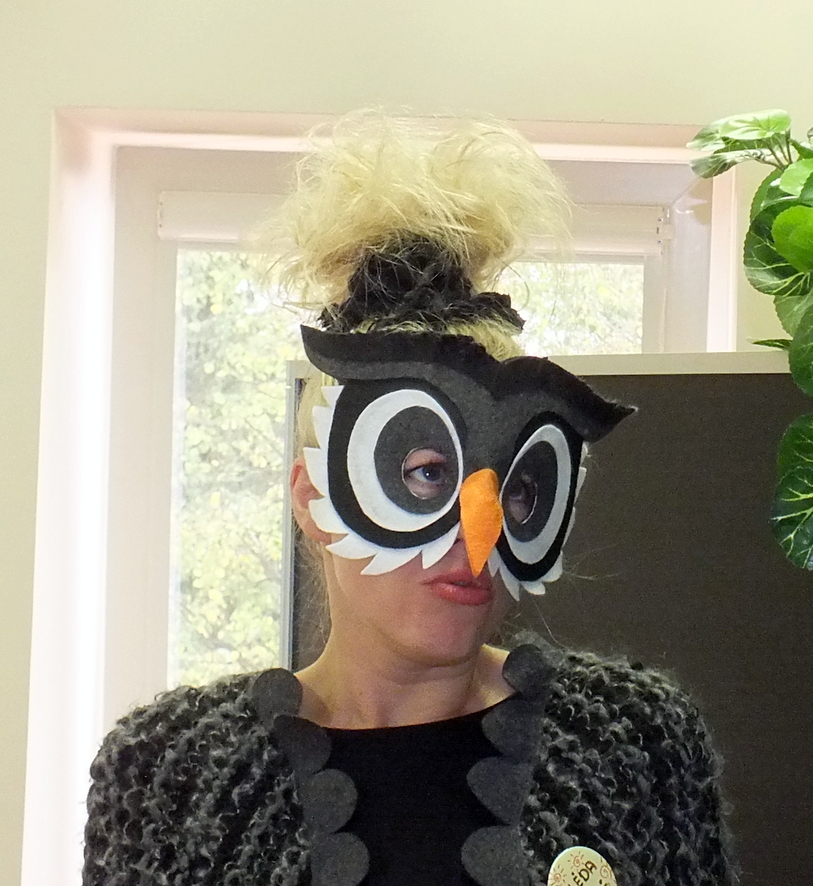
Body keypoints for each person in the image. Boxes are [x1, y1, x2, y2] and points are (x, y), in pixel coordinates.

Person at [83, 116, 734, 886]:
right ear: (312, 497)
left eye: (518, 489)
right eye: (426, 472)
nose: (479, 532)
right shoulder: (169, 773)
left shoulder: (637, 744)